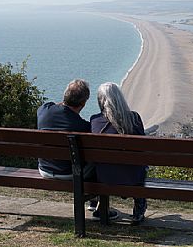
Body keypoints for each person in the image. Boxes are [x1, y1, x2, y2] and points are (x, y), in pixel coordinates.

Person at [37, 79, 118, 220]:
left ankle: (94, 201)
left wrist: (63, 106)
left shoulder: (45, 110)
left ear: (65, 96)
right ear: (84, 103)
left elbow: (51, 107)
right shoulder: (83, 126)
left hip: (44, 169)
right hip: (68, 174)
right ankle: (101, 208)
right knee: (100, 159)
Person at [90, 82, 147, 225]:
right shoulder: (134, 118)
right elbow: (142, 149)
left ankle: (100, 204)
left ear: (100, 101)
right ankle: (139, 205)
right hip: (132, 177)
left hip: (104, 176)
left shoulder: (95, 120)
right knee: (138, 164)